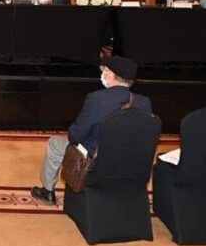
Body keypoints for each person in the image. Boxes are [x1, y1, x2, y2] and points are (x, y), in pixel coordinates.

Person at [30, 57, 152, 205]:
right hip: (128, 162)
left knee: (55, 143)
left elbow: (76, 136)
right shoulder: (144, 102)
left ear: (109, 74)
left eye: (104, 71)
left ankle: (47, 191)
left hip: (96, 162)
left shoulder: (96, 99)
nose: (103, 75)